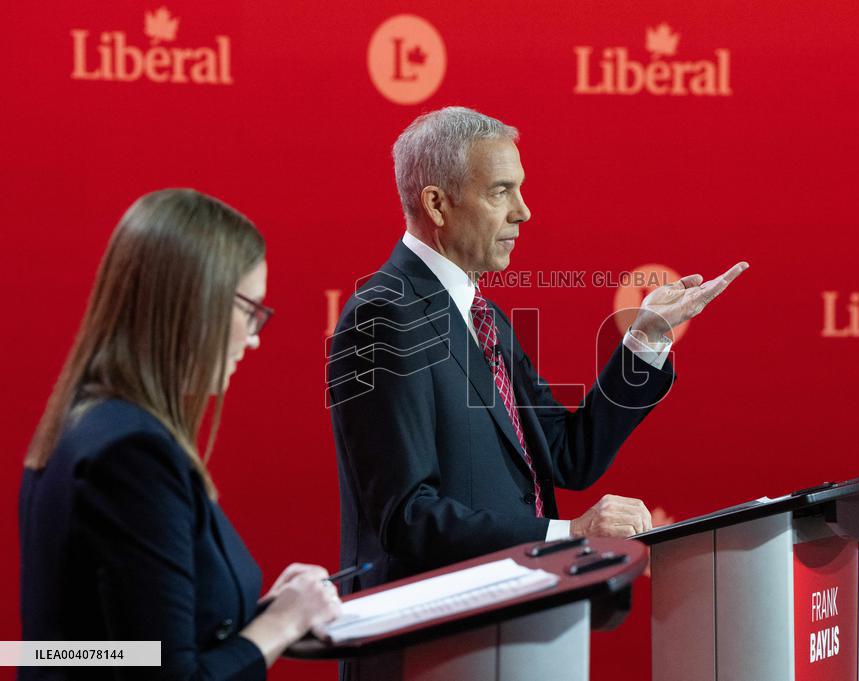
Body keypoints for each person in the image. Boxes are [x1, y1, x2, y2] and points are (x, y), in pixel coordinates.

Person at [327, 107, 748, 597]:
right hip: (431, 647)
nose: (523, 211)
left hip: (508, 625)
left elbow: (568, 456)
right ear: (438, 205)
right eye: (501, 191)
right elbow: (406, 517)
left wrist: (647, 337)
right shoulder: (383, 315)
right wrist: (565, 536)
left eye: (519, 189)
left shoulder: (484, 315)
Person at [19, 189, 341, 680]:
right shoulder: (130, 452)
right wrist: (283, 621)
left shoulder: (90, 423)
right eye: (250, 309)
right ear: (196, 302)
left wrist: (263, 615)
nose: (255, 336)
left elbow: (122, 649)